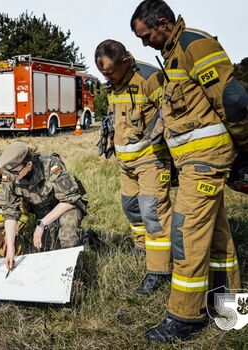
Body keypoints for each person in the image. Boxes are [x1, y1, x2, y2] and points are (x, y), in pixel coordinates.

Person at [130, 0, 245, 342]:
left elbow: (233, 100)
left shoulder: (194, 44)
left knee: (186, 235)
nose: (143, 43)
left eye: (145, 34)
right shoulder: (174, 52)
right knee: (217, 237)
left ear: (163, 23)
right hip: (194, 163)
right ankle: (231, 311)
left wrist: (245, 150)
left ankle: (185, 316)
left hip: (205, 162)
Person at [95, 39, 173, 294]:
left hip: (151, 159)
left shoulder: (150, 78)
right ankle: (142, 247)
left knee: (153, 211)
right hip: (125, 163)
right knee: (131, 207)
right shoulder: (114, 84)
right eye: (103, 73)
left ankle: (160, 269)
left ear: (125, 62)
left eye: (109, 71)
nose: (106, 77)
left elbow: (171, 111)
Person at [0, 142, 88, 270]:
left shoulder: (50, 163)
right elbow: (10, 211)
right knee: (48, 250)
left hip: (66, 206)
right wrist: (11, 248)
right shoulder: (11, 172)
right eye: (10, 172)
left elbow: (70, 199)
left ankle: (74, 274)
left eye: (16, 173)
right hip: (43, 210)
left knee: (68, 237)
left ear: (28, 164)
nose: (13, 177)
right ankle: (85, 237)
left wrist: (42, 224)